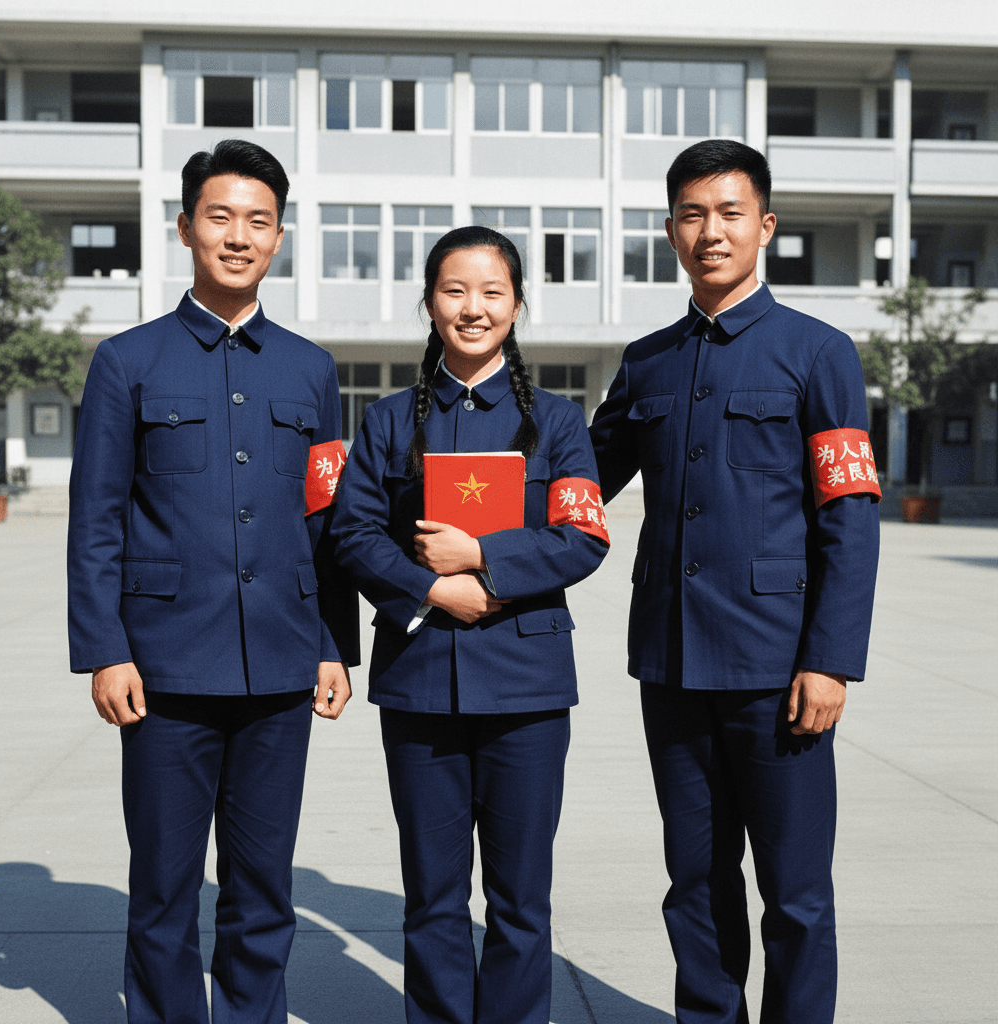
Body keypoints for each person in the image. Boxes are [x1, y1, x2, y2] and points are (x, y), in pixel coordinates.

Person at [67, 139, 359, 1024]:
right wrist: (105, 650)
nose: (239, 236)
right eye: (220, 216)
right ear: (186, 225)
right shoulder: (128, 362)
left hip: (279, 662)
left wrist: (334, 645)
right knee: (161, 886)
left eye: (258, 221)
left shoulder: (310, 369)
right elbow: (97, 520)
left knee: (265, 885)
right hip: (163, 668)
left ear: (280, 237)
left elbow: (328, 521)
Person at [590, 139, 881, 1024]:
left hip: (777, 671)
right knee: (695, 881)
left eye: (728, 213)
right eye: (691, 215)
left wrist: (830, 660)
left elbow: (850, 517)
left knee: (795, 894)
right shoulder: (647, 361)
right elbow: (578, 483)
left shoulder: (818, 353)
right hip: (673, 667)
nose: (709, 232)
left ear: (765, 225)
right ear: (671, 230)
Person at [332, 225, 608, 1024]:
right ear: (428, 305)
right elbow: (351, 534)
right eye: (455, 291)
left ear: (518, 306)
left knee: (522, 899)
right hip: (421, 685)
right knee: (433, 896)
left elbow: (583, 534)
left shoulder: (557, 423)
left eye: (492, 292)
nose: (473, 308)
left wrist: (480, 556)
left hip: (526, 689)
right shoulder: (386, 423)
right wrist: (430, 589)